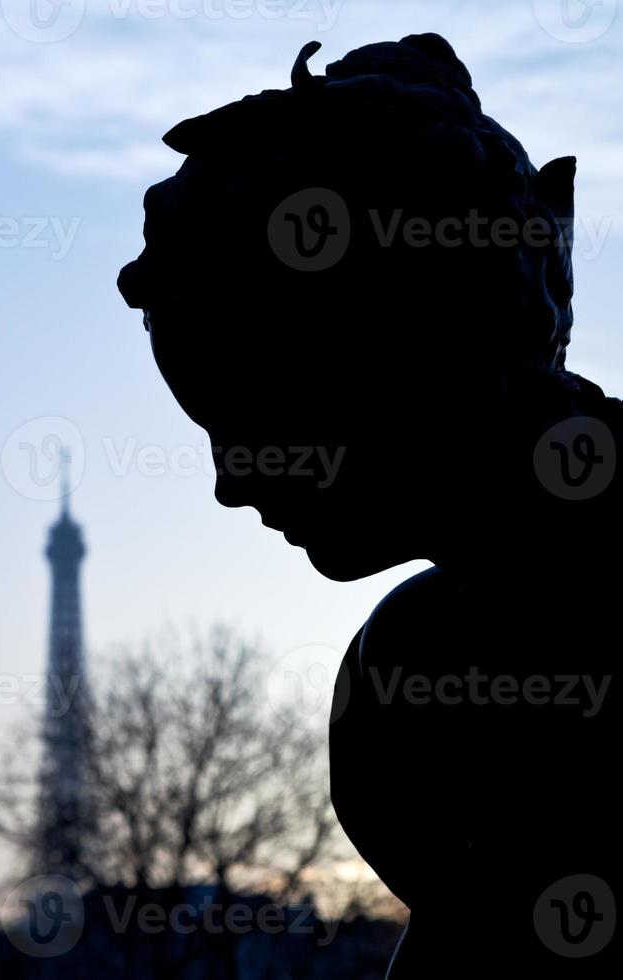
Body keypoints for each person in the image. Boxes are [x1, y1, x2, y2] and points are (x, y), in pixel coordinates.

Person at [118, 34, 618, 977]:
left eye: (251, 417)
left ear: (405, 352)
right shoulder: (419, 656)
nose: (232, 479)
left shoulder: (420, 668)